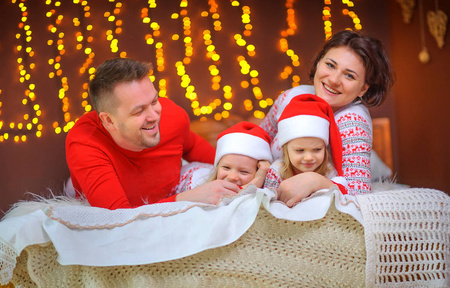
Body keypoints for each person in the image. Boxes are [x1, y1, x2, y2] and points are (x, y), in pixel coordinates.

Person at [66, 58, 240, 210]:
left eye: (154, 101)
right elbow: (117, 219)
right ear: (109, 121)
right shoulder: (85, 144)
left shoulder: (172, 114)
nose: (154, 115)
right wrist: (186, 199)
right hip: (95, 188)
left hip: (163, 188)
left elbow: (206, 153)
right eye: (139, 111)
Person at [260, 30, 394, 204]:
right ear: (318, 62)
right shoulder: (289, 98)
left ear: (363, 89)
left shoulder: (353, 121)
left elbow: (359, 192)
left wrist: (316, 181)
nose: (334, 79)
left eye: (349, 75)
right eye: (330, 65)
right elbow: (260, 139)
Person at [264, 94, 348, 207]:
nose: (309, 157)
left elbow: (342, 198)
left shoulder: (328, 171)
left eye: (317, 149)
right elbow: (266, 204)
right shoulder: (276, 172)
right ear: (285, 150)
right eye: (300, 150)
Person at [177, 121, 272, 192]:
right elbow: (232, 196)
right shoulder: (207, 188)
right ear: (218, 167)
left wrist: (262, 175)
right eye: (226, 167)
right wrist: (257, 181)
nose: (232, 177)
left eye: (244, 172)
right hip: (185, 170)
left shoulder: (266, 187)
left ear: (258, 170)